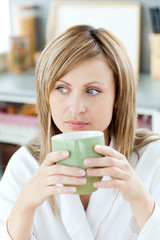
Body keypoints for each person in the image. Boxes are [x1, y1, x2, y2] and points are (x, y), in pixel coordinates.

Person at [0, 25, 160, 240]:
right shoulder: (25, 165)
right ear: (46, 94)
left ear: (118, 96)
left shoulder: (153, 158)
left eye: (92, 91)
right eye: (62, 88)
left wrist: (141, 199)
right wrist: (25, 204)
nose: (75, 108)